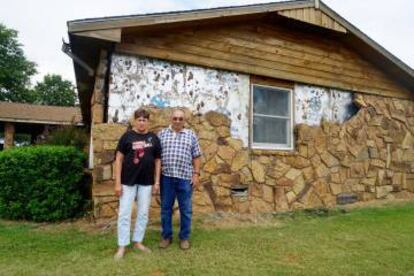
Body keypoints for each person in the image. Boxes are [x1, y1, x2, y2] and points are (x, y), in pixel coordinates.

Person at [113, 108, 161, 260]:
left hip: (147, 182)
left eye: (144, 120)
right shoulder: (127, 137)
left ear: (148, 121)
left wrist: (157, 181)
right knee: (124, 214)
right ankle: (122, 246)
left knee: (143, 214)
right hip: (128, 181)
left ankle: (138, 242)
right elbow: (118, 159)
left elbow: (158, 160)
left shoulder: (153, 138)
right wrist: (117, 183)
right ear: (135, 121)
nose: (142, 122)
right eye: (139, 120)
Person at [158, 108, 202, 250]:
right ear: (171, 119)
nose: (177, 121)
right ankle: (166, 236)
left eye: (180, 119)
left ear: (184, 121)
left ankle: (184, 238)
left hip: (185, 178)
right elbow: (156, 157)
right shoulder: (162, 134)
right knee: (165, 209)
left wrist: (196, 174)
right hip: (167, 178)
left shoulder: (191, 135)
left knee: (186, 210)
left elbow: (196, 156)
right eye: (175, 118)